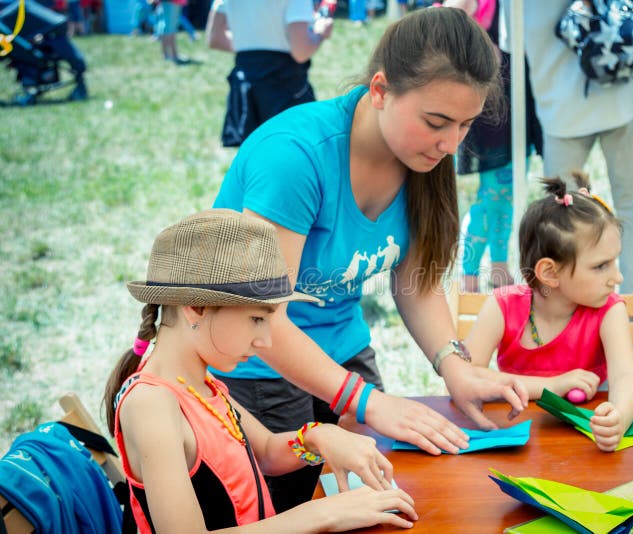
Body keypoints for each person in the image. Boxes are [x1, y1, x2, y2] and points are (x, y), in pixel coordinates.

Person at [213, 7, 528, 511]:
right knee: (299, 512)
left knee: (383, 504)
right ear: (380, 90)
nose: (451, 144)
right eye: (437, 122)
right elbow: (261, 316)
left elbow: (416, 279)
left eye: (466, 125)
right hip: (254, 369)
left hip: (342, 357)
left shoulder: (421, 155)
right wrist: (366, 402)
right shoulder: (294, 155)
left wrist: (454, 364)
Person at [103, 209, 418, 533]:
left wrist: (318, 437)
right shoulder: (152, 405)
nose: (265, 341)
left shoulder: (200, 382)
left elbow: (266, 451)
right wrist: (324, 514)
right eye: (257, 319)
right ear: (196, 308)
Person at [465, 174, 633, 452]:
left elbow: (627, 377)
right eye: (601, 266)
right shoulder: (501, 307)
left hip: (583, 450)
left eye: (614, 262)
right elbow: (467, 376)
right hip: (513, 446)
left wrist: (619, 415)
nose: (617, 277)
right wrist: (553, 385)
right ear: (550, 272)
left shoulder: (609, 310)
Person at [510, 0, 633, 295]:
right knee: (632, 207)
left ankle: (561, 301)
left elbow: (512, 42)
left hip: (561, 105)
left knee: (558, 217)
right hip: (622, 94)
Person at [444, 0, 543, 293]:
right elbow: (447, 23)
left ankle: (499, 269)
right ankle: (469, 278)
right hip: (491, 115)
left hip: (518, 108)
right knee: (492, 197)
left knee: (509, 194)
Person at [205, 0, 333, 147]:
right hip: (284, 85)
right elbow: (301, 51)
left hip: (246, 82)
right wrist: (320, 33)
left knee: (254, 159)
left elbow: (215, 39)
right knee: (293, 157)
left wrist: (252, 46)